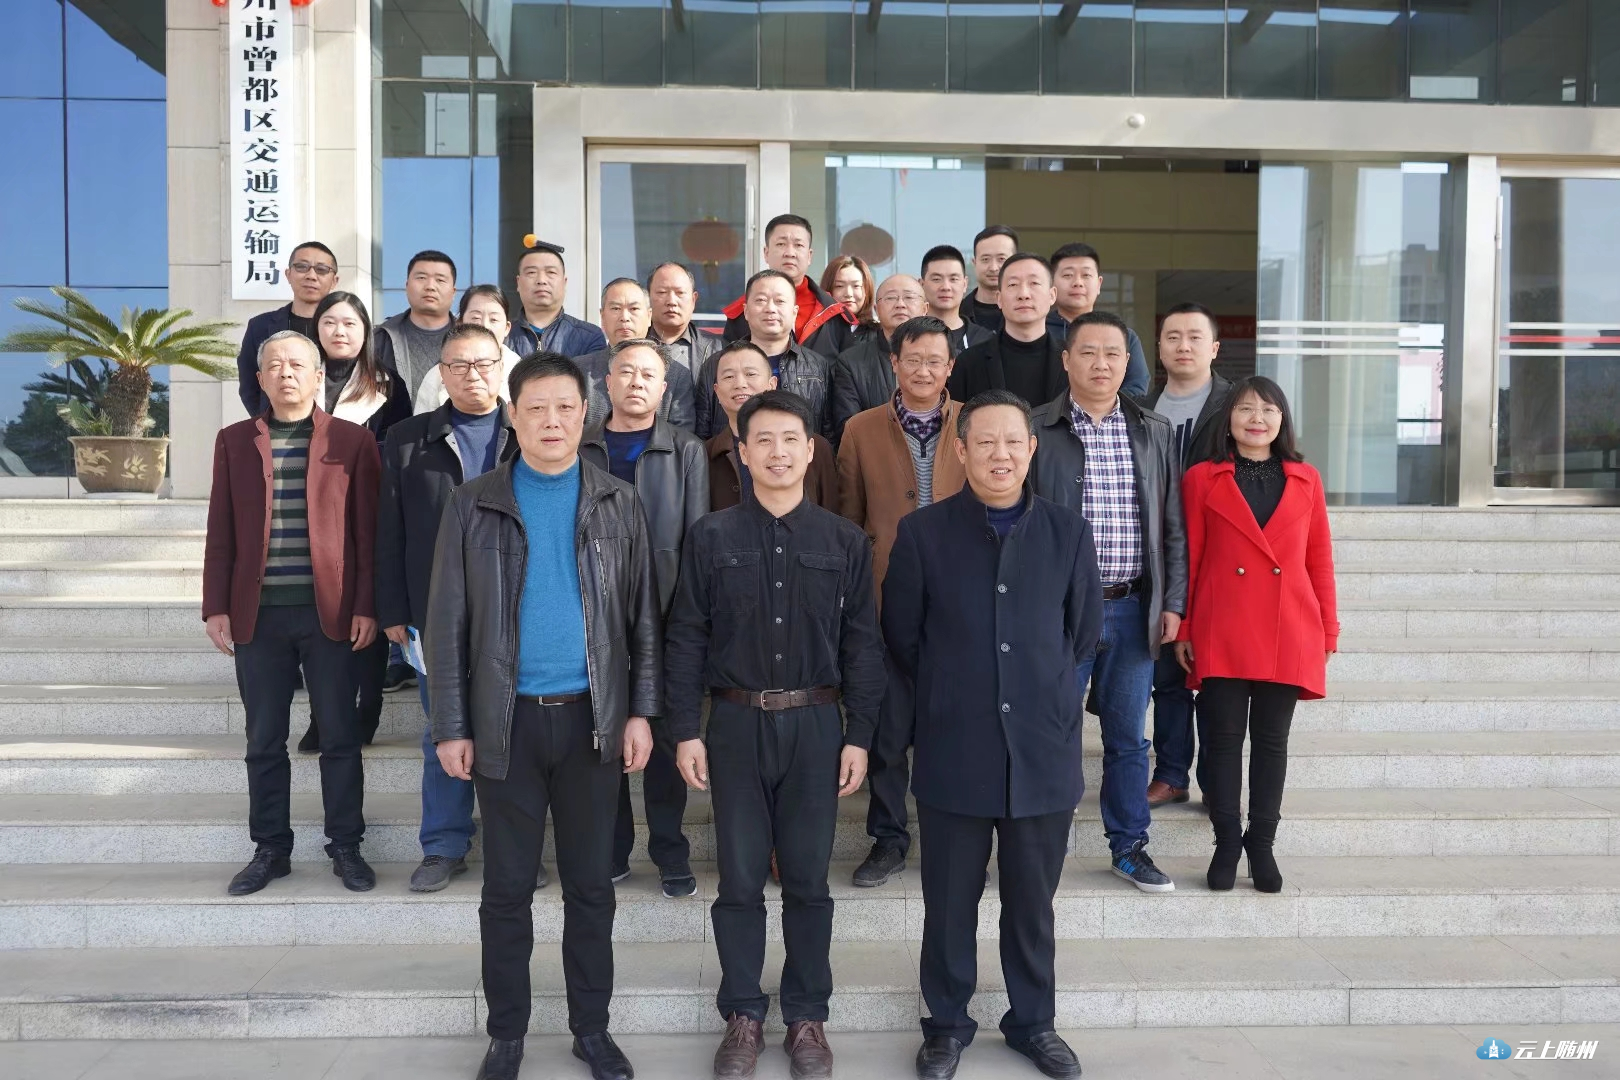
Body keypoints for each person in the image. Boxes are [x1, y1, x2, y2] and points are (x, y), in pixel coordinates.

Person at [425, 353, 660, 1080]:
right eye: (536, 408)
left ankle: (592, 1029)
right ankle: (507, 1034)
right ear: (513, 415)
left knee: (591, 888)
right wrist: (451, 725)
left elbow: (644, 620)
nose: (551, 421)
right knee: (506, 890)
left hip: (594, 722)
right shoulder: (473, 503)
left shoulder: (619, 501)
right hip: (507, 723)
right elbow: (446, 623)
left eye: (564, 407)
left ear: (585, 414)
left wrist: (641, 712)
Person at [665, 389, 886, 1080]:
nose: (778, 452)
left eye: (791, 439)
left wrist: (859, 735)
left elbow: (862, 645)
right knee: (737, 878)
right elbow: (686, 637)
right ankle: (742, 1015)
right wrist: (686, 730)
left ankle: (806, 1016)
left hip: (816, 725)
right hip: (734, 724)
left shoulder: (843, 541)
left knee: (809, 879)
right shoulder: (709, 537)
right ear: (741, 451)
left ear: (811, 449)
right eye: (763, 439)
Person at [882, 390, 1101, 1080]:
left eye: (1013, 441)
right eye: (985, 442)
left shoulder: (1069, 532)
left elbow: (1082, 633)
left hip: (1042, 748)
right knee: (949, 903)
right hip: (956, 746)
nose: (1000, 454)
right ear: (960, 449)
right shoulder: (923, 533)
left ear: (1032, 449)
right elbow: (903, 639)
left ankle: (1033, 1023)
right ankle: (946, 1026)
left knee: (1031, 904)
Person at [203, 331, 380, 897]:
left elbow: (369, 534)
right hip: (258, 617)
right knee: (263, 740)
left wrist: (367, 605)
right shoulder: (234, 441)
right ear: (259, 379)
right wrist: (215, 607)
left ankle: (346, 846)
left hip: (331, 614)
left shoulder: (352, 441)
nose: (286, 373)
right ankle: (271, 849)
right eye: (275, 365)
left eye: (297, 364)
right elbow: (220, 530)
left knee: (339, 737)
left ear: (318, 375)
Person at [1029, 310, 1186, 894]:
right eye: (1088, 352)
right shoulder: (1035, 428)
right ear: (1066, 359)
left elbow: (1173, 527)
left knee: (1128, 737)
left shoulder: (1153, 431)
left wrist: (1172, 601)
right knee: (1051, 729)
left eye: (1113, 353)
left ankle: (1129, 847)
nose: (1101, 363)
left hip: (1132, 607)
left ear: (1127, 363)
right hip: (1058, 612)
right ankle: (1039, 843)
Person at [1176, 376, 1338, 894]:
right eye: (1245, 408)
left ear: (1282, 420)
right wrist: (1183, 625)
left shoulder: (1306, 479)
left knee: (1272, 741)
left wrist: (1328, 629)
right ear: (1228, 419)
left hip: (1289, 623)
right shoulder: (1202, 478)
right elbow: (1191, 557)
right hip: (1222, 623)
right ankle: (1227, 842)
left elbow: (1319, 560)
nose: (1257, 419)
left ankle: (1261, 844)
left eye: (1268, 410)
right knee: (1222, 740)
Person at [374, 325, 519, 894]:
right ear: (442, 373)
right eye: (458, 365)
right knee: (445, 729)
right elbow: (389, 529)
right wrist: (393, 609)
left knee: (514, 733)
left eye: (483, 364)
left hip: (517, 608)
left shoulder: (527, 431)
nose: (472, 375)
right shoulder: (408, 439)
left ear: (501, 368)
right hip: (436, 614)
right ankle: (443, 844)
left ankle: (514, 847)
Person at [836, 315, 967, 889]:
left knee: (953, 733)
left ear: (950, 367)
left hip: (958, 604)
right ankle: (888, 839)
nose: (924, 370)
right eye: (913, 359)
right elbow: (848, 521)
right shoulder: (860, 429)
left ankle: (949, 839)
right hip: (885, 598)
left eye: (935, 360)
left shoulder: (973, 423)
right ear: (894, 362)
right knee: (887, 733)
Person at [579, 338, 709, 899]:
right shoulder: (580, 444)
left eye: (648, 375)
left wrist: (686, 620)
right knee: (602, 738)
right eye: (626, 372)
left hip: (665, 615)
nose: (636, 382)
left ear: (665, 388)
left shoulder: (685, 450)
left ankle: (669, 850)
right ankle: (612, 848)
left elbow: (696, 541)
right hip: (594, 616)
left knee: (662, 739)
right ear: (606, 383)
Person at [291, 291, 412, 755]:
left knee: (367, 612)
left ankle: (366, 713)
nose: (339, 331)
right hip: (309, 511)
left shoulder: (387, 386)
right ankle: (321, 715)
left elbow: (399, 450)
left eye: (350, 324)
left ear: (366, 333)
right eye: (330, 323)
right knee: (321, 616)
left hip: (370, 508)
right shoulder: (301, 380)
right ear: (316, 329)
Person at [1141, 302, 1233, 807]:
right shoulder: (1138, 406)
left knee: (1218, 677)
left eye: (1195, 337)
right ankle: (1173, 773)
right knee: (1167, 675)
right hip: (1158, 551)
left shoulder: (1235, 405)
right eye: (1172, 336)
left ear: (1214, 348)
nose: (1183, 345)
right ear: (1159, 348)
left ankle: (1218, 783)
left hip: (1218, 552)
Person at [701, 269, 835, 443]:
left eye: (780, 301)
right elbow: (701, 431)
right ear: (746, 311)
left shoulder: (817, 366)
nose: (770, 309)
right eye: (761, 300)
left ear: (794, 312)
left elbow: (828, 433)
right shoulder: (717, 364)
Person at [706, 340, 839, 513]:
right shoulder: (705, 454)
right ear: (716, 391)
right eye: (729, 377)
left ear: (772, 384)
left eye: (750, 374)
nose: (740, 384)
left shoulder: (815, 446)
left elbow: (832, 515)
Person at [720, 214, 853, 356]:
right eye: (781, 244)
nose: (790, 253)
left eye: (798, 245)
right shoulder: (743, 313)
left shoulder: (833, 312)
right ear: (766, 253)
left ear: (809, 256)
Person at [947, 253, 1067, 409]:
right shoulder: (968, 363)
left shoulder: (1074, 361)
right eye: (1013, 284)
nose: (1023, 294)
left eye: (1034, 283)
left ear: (1052, 295)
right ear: (999, 298)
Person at [234, 241, 341, 416]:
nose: (311, 276)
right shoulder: (260, 326)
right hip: (276, 427)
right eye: (302, 267)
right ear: (288, 274)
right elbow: (249, 387)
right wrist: (270, 422)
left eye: (321, 270)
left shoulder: (345, 329)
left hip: (336, 426)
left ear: (334, 281)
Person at [576, 278, 697, 429]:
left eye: (633, 309)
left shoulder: (676, 373)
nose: (624, 318)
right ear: (602, 316)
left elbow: (682, 435)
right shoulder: (578, 370)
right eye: (616, 308)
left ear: (649, 316)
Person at [830, 274, 928, 438]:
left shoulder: (943, 359)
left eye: (909, 297)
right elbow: (849, 427)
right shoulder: (851, 362)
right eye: (890, 298)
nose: (900, 304)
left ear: (925, 308)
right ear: (876, 309)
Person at [1047, 243, 1148, 399]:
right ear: (1052, 284)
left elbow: (1136, 388)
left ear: (1099, 284)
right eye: (1068, 275)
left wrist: (1097, 406)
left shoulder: (1125, 336)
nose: (1078, 282)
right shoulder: (1039, 333)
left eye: (1086, 275)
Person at [413, 285, 523, 413]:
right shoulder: (436, 376)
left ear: (507, 328)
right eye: (475, 318)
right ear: (460, 324)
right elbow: (422, 422)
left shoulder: (522, 372)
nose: (485, 326)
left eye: (494, 319)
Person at [377, 250, 458, 399]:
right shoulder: (380, 338)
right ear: (407, 286)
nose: (430, 286)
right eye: (421, 278)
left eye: (440, 280)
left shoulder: (469, 338)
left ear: (453, 292)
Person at [507, 240, 608, 359]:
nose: (541, 280)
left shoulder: (589, 336)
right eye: (531, 272)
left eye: (551, 272)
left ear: (564, 282)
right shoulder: (501, 335)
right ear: (518, 283)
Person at [648, 261, 722, 377]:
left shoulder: (718, 349)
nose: (671, 301)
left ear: (693, 300)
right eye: (662, 292)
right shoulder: (631, 345)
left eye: (680, 293)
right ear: (648, 298)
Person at [920, 244, 993, 357]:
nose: (946, 287)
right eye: (937, 279)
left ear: (965, 284)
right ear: (921, 284)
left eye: (953, 279)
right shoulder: (908, 337)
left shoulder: (985, 340)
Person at [961, 225, 1020, 331]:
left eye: (1001, 259)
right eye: (985, 259)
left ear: (1015, 262)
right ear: (974, 263)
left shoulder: (1029, 312)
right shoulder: (957, 314)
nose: (993, 268)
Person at [822, 254, 875, 329]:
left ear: (867, 291)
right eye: (839, 286)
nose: (848, 294)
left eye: (856, 286)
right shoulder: (816, 332)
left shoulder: (880, 333)